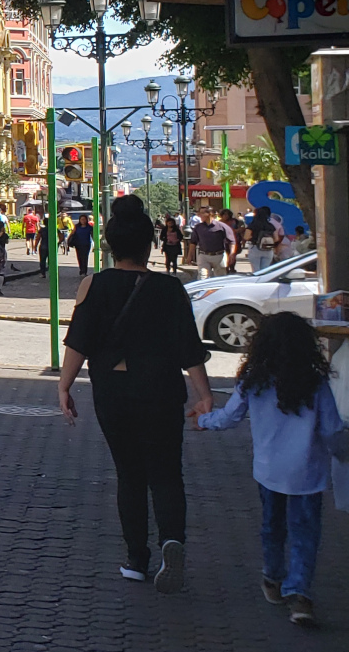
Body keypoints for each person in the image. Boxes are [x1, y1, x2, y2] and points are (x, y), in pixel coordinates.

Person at [57, 198, 214, 589]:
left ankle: (135, 559)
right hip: (161, 388)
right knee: (167, 472)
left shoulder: (94, 284)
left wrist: (64, 385)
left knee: (129, 474)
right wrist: (205, 395)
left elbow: (79, 340)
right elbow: (189, 349)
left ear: (110, 245)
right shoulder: (170, 288)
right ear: (150, 245)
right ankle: (172, 540)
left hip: (114, 390)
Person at [196, 314, 349, 626]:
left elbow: (229, 417)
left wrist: (202, 420)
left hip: (269, 471)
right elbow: (332, 430)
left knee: (272, 526)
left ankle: (272, 576)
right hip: (307, 473)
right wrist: (343, 454)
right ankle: (300, 594)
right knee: (305, 532)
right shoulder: (315, 382)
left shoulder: (254, 380)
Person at [191, 208, 229, 278]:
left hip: (219, 256)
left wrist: (232, 254)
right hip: (203, 255)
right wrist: (190, 256)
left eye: (202, 213)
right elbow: (193, 242)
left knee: (220, 278)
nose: (199, 215)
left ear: (210, 214)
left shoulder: (221, 226)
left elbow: (232, 241)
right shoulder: (198, 227)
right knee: (202, 277)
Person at [244, 206, 280, 275]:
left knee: (256, 271)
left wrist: (253, 237)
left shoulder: (252, 225)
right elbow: (276, 239)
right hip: (268, 249)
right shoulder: (271, 226)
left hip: (255, 248)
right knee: (265, 270)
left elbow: (246, 237)